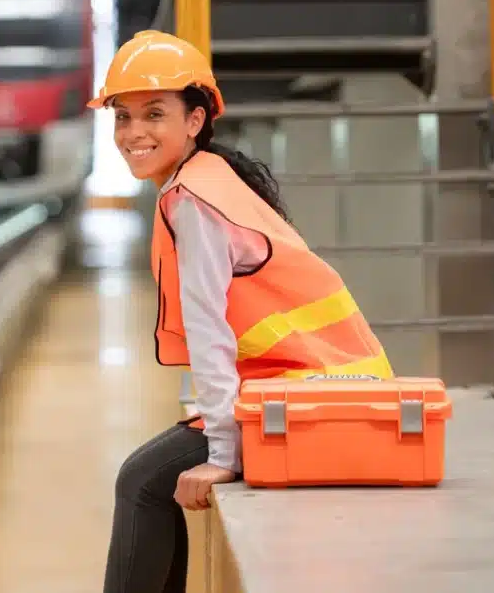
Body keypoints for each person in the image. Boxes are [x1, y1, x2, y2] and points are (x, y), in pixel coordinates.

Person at [87, 30, 394, 593]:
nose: (133, 133)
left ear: (196, 119)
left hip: (315, 402)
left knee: (140, 479)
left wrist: (223, 454)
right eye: (122, 117)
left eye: (153, 114)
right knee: (153, 476)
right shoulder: (211, 180)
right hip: (328, 390)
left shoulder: (196, 203)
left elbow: (210, 332)